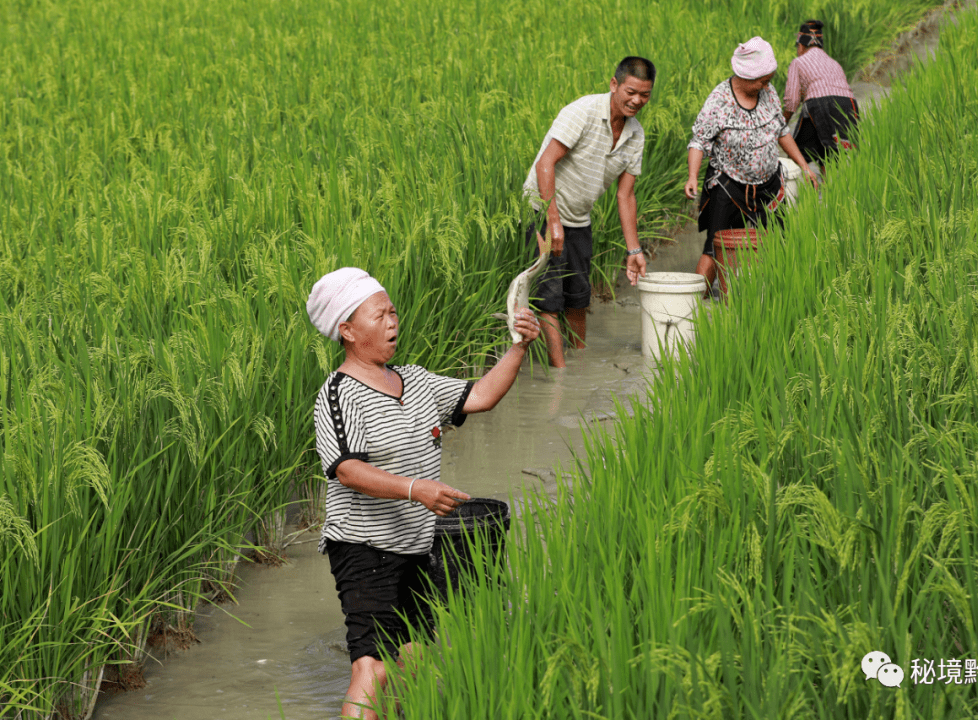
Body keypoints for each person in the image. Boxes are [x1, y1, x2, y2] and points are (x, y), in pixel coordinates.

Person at [306, 267, 540, 719]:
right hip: (362, 545)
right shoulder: (338, 394)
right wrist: (415, 490)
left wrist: (518, 346)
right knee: (371, 669)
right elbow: (347, 469)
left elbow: (481, 396)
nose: (393, 321)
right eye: (380, 315)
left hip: (416, 545)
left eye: (393, 311)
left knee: (414, 663)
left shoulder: (414, 381)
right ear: (348, 330)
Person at [522, 56, 653, 368]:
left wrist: (634, 249)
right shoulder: (582, 112)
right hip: (543, 210)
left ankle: (578, 358)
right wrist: (552, 221)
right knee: (550, 298)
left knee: (579, 295)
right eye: (630, 92)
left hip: (579, 218)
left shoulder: (636, 135)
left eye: (644, 95)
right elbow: (545, 163)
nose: (636, 101)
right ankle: (563, 377)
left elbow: (626, 194)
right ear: (614, 85)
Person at [683, 37, 818, 300]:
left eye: (769, 80)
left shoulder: (767, 93)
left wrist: (804, 166)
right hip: (729, 185)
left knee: (777, 243)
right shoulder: (720, 100)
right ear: (744, 75)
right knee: (715, 248)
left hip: (768, 184)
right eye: (762, 81)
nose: (766, 86)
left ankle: (769, 302)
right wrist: (692, 176)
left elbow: (781, 130)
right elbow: (699, 141)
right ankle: (692, 311)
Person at [782, 20, 860, 174]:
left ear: (801, 45)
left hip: (820, 104)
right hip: (849, 104)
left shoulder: (798, 62)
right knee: (835, 155)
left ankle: (792, 191)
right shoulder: (834, 63)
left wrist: (780, 125)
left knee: (796, 154)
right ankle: (831, 191)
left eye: (797, 47)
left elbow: (791, 101)